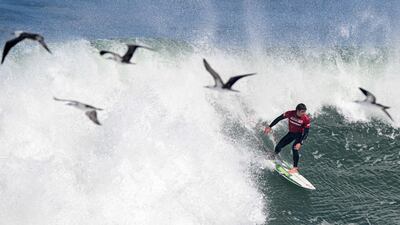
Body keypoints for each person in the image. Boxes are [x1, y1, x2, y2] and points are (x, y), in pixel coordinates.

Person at [264, 103, 311, 174]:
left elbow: (306, 133)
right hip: (291, 133)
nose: (304, 113)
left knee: (295, 148)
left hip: (299, 135)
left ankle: (295, 168)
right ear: (297, 111)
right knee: (279, 146)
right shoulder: (290, 113)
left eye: (304, 111)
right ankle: (273, 155)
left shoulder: (306, 119)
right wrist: (270, 127)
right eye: (302, 112)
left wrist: (300, 143)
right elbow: (279, 118)